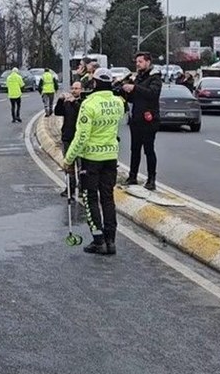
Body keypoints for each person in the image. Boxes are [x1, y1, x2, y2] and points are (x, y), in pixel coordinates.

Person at [63, 68, 123, 255]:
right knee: (108, 198)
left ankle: (98, 240)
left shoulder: (89, 105)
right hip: (111, 157)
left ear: (95, 83)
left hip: (91, 159)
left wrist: (69, 159)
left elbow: (81, 136)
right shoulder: (117, 104)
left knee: (90, 198)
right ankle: (111, 241)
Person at [121, 53, 163, 190]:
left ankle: (151, 179)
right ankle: (132, 176)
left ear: (148, 62)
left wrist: (135, 88)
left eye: (140, 61)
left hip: (149, 120)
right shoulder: (138, 77)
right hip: (136, 119)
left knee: (149, 150)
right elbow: (135, 98)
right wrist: (127, 91)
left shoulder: (155, 78)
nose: (138, 64)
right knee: (135, 150)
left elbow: (152, 94)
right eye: (136, 62)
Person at [53, 81, 83, 199]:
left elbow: (81, 112)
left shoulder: (82, 102)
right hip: (67, 137)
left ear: (81, 90)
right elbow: (57, 112)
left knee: (81, 166)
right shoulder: (67, 102)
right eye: (73, 88)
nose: (74, 90)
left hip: (79, 139)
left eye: (77, 88)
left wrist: (74, 102)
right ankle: (70, 188)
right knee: (68, 165)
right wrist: (61, 100)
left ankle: (81, 188)